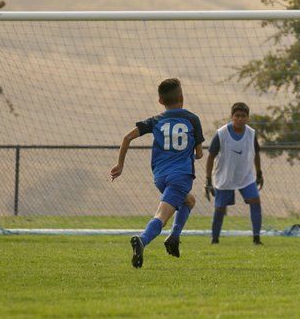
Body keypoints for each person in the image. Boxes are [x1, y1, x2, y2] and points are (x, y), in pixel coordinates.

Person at [110, 78, 204, 268]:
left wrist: (120, 165)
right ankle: (142, 240)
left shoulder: (156, 120)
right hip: (181, 176)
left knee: (189, 201)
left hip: (160, 177)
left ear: (160, 101)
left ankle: (174, 237)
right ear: (182, 97)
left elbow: (127, 137)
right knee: (162, 216)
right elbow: (200, 154)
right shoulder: (192, 119)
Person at [204, 102, 264, 245]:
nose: (240, 119)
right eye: (237, 116)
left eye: (243, 116)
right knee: (220, 207)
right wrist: (208, 180)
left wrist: (259, 173)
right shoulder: (221, 134)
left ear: (248, 118)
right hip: (224, 177)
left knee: (255, 200)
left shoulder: (251, 133)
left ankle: (256, 238)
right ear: (232, 117)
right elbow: (211, 157)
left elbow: (256, 154)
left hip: (245, 176)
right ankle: (215, 239)